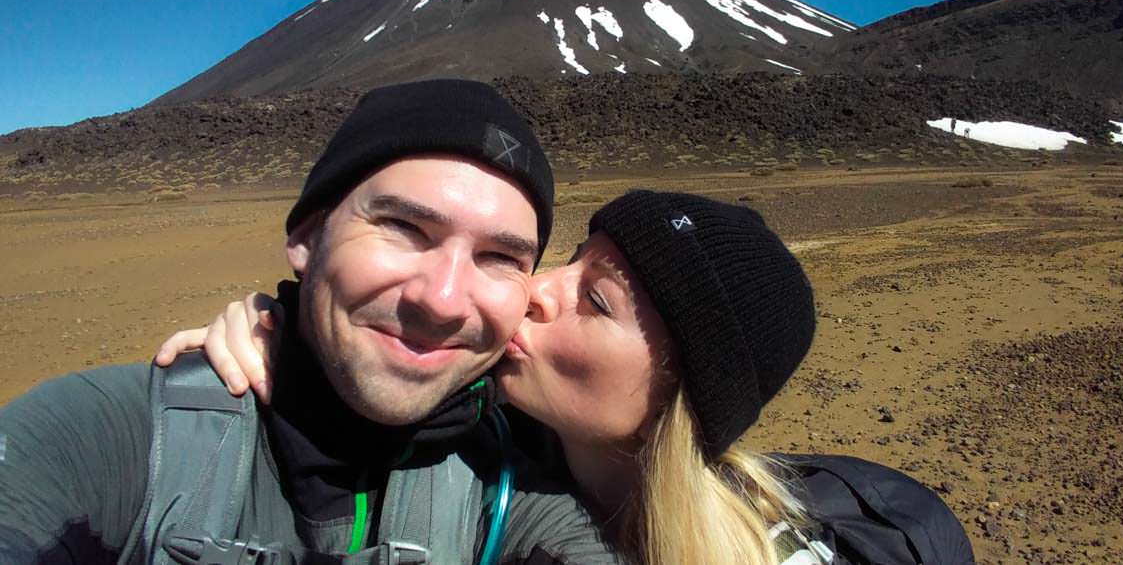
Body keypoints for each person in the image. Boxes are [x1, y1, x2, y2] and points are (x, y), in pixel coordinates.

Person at [0, 80, 617, 564]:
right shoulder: (104, 440)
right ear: (307, 236)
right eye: (404, 228)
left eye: (500, 257)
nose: (445, 300)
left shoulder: (517, 490)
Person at [162, 190, 828, 564]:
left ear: (677, 404)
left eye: (594, 299)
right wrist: (286, 329)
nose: (535, 289)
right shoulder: (472, 434)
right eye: (567, 261)